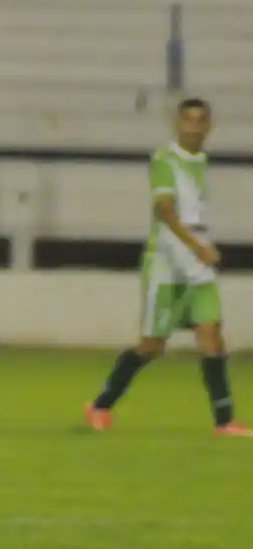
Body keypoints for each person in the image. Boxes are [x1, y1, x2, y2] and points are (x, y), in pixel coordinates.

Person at [84, 98, 251, 436]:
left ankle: (224, 421)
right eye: (188, 120)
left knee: (212, 336)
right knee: (151, 346)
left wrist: (200, 248)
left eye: (200, 120)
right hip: (167, 262)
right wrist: (196, 246)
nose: (194, 126)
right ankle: (101, 404)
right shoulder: (164, 159)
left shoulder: (201, 161)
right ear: (177, 123)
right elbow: (165, 210)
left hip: (197, 261)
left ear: (209, 125)